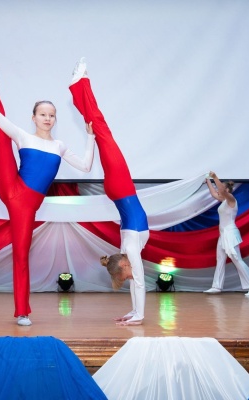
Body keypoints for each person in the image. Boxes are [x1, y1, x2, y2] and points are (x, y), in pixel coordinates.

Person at [0, 53, 95, 326]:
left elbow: (86, 166)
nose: (48, 118)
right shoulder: (23, 136)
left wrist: (90, 137)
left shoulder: (59, 146)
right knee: (1, 137)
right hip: (12, 186)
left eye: (52, 115)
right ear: (34, 117)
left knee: (21, 254)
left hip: (26, 205)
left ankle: (22, 312)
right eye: (43, 114)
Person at [69, 58, 149, 326]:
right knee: (101, 130)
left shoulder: (130, 249)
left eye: (124, 275)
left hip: (121, 187)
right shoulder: (126, 248)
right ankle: (79, 85)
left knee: (102, 129)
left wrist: (138, 315)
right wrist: (133, 314)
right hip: (117, 189)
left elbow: (139, 282)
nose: (129, 277)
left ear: (123, 264)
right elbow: (136, 281)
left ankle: (81, 84)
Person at [203, 171, 249, 296]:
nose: (219, 190)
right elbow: (214, 193)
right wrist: (208, 181)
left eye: (221, 188)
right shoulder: (223, 201)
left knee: (236, 259)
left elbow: (221, 191)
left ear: (227, 190)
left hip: (230, 234)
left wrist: (215, 177)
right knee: (220, 259)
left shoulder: (231, 200)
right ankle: (216, 286)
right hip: (223, 235)